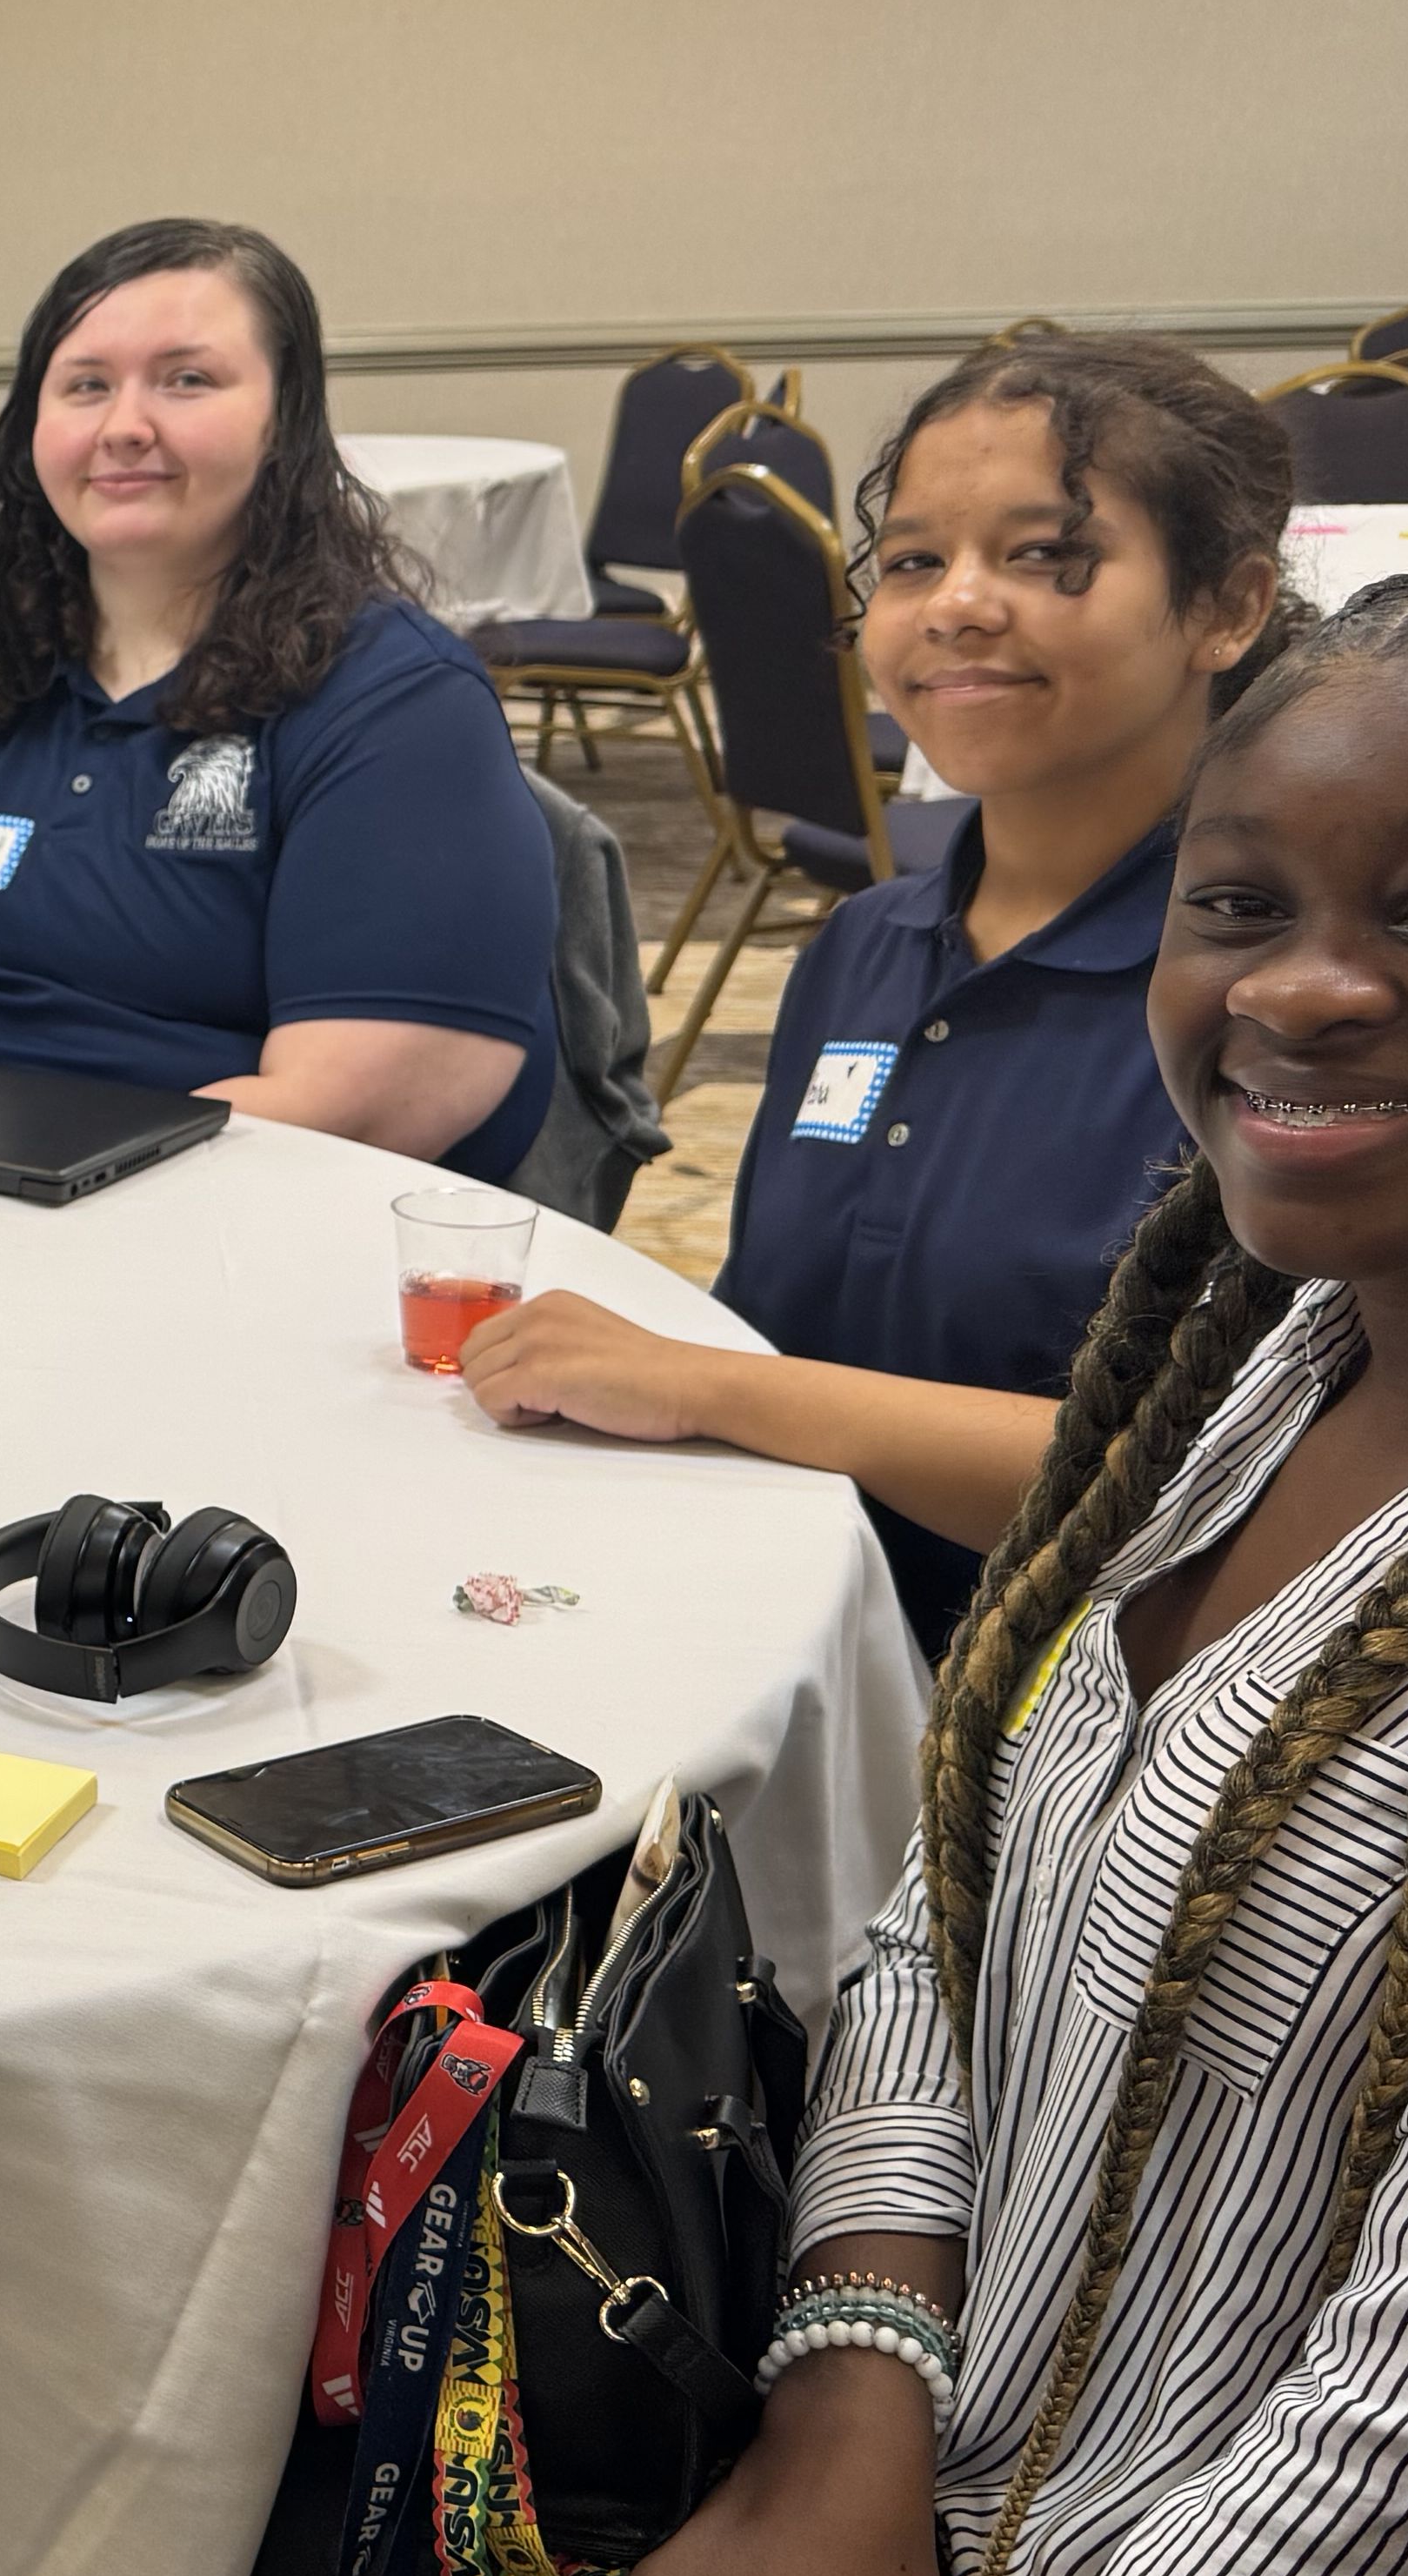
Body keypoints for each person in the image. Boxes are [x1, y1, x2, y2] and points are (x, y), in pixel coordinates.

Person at [510, 558, 1408, 2576]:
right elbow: (953, 1898)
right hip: (902, 2494)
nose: (1301, 987)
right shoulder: (1281, 1346)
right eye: (1241, 902)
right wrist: (852, 2398)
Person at [458, 335, 1287, 1649]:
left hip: (1059, 1705)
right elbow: (768, 1323)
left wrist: (704, 1386)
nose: (957, 605)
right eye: (910, 562)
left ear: (1226, 609)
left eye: (1045, 555)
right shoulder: (866, 945)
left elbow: (1215, 1485)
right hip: (775, 1625)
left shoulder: (1268, 1007)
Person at [0, 217, 557, 1175]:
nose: (124, 425)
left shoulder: (394, 707)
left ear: (284, 420)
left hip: (199, 1228)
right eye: (85, 385)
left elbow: (349, 1118)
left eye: (186, 379)